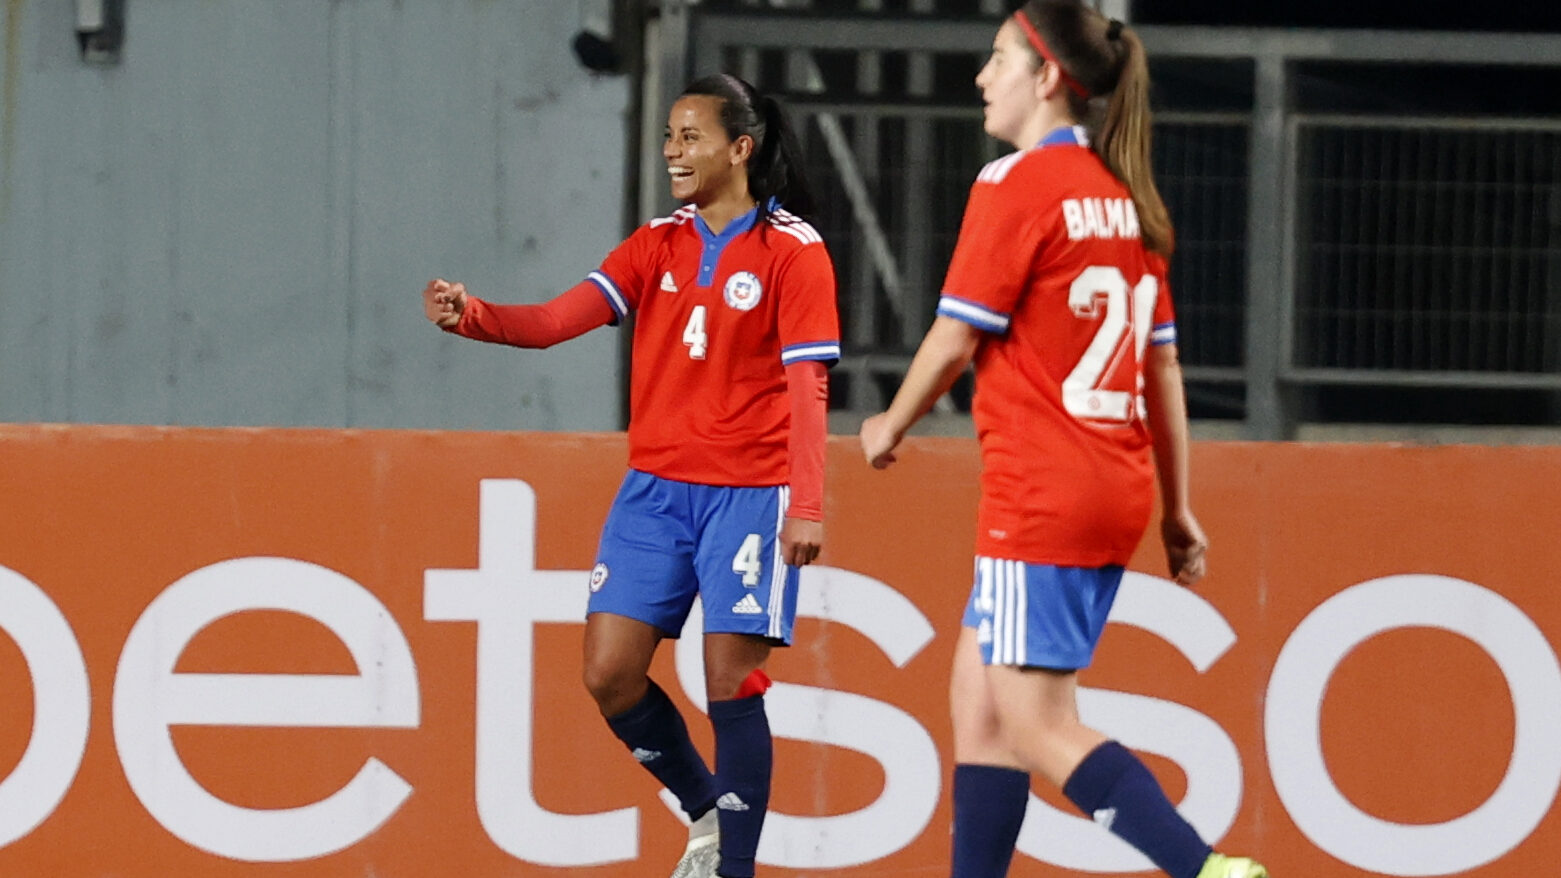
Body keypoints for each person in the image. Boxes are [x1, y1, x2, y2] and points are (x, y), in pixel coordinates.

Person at [857, 4, 1266, 878]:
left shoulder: (1013, 185)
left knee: (1036, 721)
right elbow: (1161, 376)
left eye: (996, 58)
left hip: (1037, 494)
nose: (981, 75)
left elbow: (955, 337)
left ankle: (1206, 870)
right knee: (979, 702)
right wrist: (1179, 508)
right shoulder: (1128, 204)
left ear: (1045, 77)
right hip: (1111, 489)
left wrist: (889, 422)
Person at [423, 73, 840, 878]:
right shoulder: (656, 244)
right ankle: (705, 812)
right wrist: (474, 316)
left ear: (739, 149)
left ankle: (735, 869)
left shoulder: (793, 250)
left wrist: (808, 503)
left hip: (750, 497)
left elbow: (807, 385)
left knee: (729, 676)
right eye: (669, 138)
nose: (673, 153)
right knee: (609, 674)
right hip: (654, 494)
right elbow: (552, 323)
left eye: (690, 138)